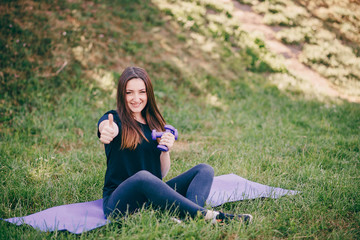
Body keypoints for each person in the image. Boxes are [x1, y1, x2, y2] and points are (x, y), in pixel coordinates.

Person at [97, 66, 252, 224]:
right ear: (122, 95)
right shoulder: (114, 119)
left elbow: (161, 175)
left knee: (204, 169)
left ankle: (189, 217)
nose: (136, 98)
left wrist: (166, 151)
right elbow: (106, 127)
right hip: (119, 204)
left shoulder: (155, 123)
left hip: (151, 199)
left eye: (141, 92)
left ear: (148, 93)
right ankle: (207, 216)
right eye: (129, 92)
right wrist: (107, 131)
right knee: (143, 177)